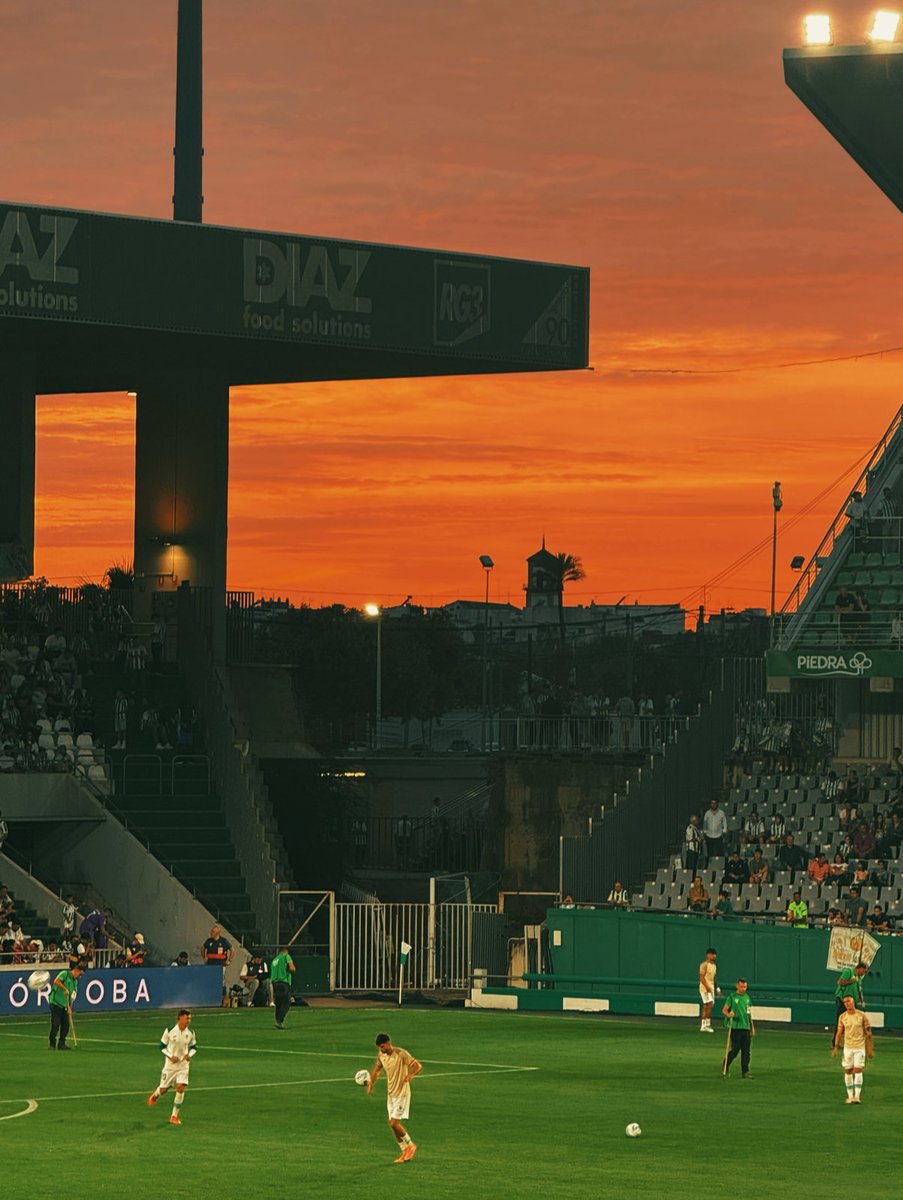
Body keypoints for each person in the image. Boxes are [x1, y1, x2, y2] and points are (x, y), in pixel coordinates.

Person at [367, 1032, 422, 1163]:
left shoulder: (401, 1053)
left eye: (382, 1046)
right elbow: (376, 1069)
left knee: (394, 1123)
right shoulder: (381, 1055)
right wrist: (371, 1083)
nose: (381, 1049)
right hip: (391, 1094)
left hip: (402, 1093)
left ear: (388, 1043)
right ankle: (404, 1150)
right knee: (392, 1125)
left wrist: (411, 1075)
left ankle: (410, 1145)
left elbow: (418, 1066)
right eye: (379, 1048)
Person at [147, 1009, 197, 1126]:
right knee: (164, 1089)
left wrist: (189, 1055)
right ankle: (156, 1094)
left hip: (183, 1065)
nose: (189, 1021)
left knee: (180, 1088)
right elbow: (162, 1046)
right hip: (170, 1066)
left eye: (190, 1018)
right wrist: (170, 1056)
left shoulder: (190, 1033)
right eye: (187, 1018)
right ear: (180, 1018)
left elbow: (194, 1047)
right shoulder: (169, 1031)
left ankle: (174, 1116)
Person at [832, 995, 873, 1104]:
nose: (847, 1003)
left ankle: (857, 1096)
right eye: (845, 1002)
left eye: (849, 1001)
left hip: (859, 1047)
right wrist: (836, 1046)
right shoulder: (842, 1017)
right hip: (848, 1048)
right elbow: (839, 1033)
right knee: (848, 1070)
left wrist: (869, 1048)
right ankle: (850, 1096)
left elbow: (868, 1033)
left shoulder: (861, 1016)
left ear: (853, 1002)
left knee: (858, 1069)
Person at [722, 977, 755, 1078]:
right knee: (735, 1049)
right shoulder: (732, 997)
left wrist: (752, 1027)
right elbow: (724, 1010)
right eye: (741, 986)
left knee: (746, 1051)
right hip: (735, 1027)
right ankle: (726, 1064)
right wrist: (729, 1015)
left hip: (745, 1027)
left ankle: (745, 1072)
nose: (743, 989)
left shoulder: (747, 998)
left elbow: (748, 1013)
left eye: (745, 987)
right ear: (737, 986)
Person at [48, 963, 84, 1050]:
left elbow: (72, 996)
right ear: (76, 971)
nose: (80, 977)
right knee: (56, 1024)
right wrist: (64, 989)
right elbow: (56, 981)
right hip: (55, 1002)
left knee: (66, 1025)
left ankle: (61, 1044)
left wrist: (70, 1007)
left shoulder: (75, 982)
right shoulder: (65, 974)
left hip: (65, 1005)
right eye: (80, 974)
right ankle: (52, 1044)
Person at [270, 945, 296, 1029]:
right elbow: (292, 968)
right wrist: (291, 971)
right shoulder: (286, 956)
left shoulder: (275, 959)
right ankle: (280, 1020)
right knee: (286, 1003)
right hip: (283, 982)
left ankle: (278, 1020)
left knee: (279, 1003)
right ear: (286, 951)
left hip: (275, 983)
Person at [698, 947, 718, 1033]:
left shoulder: (714, 966)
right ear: (708, 955)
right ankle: (707, 1024)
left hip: (711, 987)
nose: (714, 956)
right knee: (708, 1004)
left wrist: (716, 988)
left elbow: (714, 978)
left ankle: (703, 1025)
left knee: (708, 1006)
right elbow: (702, 977)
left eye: (715, 954)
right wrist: (707, 988)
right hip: (705, 988)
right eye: (712, 954)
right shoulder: (704, 965)